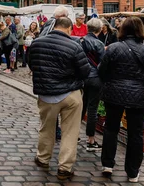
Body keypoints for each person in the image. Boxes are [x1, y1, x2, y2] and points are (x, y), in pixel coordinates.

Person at [98, 16, 144, 183]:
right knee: (136, 134)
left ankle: (107, 164)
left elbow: (101, 72)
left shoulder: (112, 48)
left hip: (114, 94)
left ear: (123, 30)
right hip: (139, 96)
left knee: (111, 128)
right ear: (140, 31)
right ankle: (132, 172)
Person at [28, 17, 90, 181]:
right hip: (70, 93)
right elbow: (85, 72)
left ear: (54, 26)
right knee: (70, 131)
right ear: (69, 28)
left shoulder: (37, 43)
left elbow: (31, 64)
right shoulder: (75, 46)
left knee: (46, 128)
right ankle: (65, 168)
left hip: (46, 94)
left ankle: (43, 158)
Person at [80, 18, 106, 152]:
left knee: (81, 106)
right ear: (100, 29)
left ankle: (74, 135)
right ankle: (91, 140)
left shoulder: (81, 41)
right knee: (92, 109)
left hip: (82, 78)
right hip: (95, 78)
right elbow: (102, 64)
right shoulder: (99, 44)